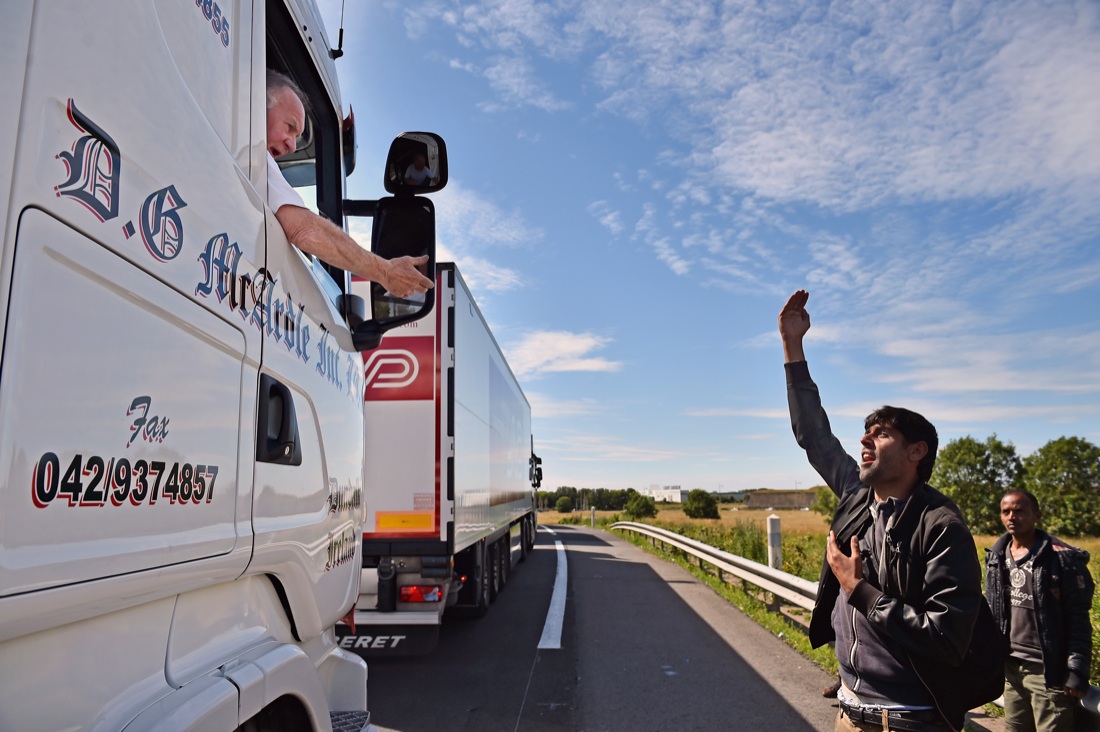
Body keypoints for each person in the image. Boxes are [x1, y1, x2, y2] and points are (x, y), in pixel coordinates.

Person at [779, 289, 993, 732]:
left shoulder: (940, 526)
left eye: (881, 434)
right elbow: (814, 434)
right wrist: (792, 346)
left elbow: (946, 638)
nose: (865, 440)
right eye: (865, 432)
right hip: (849, 713)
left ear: (918, 451)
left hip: (908, 721)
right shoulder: (855, 495)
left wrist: (859, 590)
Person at [265, 70, 433, 299]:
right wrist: (385, 271)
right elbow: (306, 231)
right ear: (257, 104)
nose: (293, 146)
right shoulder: (254, 156)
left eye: (297, 137)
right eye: (289, 127)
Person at [985, 489, 1094, 732]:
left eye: (1020, 511)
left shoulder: (1061, 559)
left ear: (1037, 515)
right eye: (1006, 512)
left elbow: (1078, 618)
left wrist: (1076, 668)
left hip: (1047, 670)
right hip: (1011, 667)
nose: (1012, 516)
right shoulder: (997, 557)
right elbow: (992, 613)